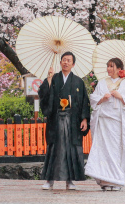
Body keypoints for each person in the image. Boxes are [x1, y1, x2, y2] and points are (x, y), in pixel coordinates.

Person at [84, 57, 125, 191]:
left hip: (117, 123)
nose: (109, 69)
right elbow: (93, 99)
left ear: (119, 69)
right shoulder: (101, 83)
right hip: (104, 121)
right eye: (108, 66)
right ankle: (105, 179)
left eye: (112, 66)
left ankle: (117, 180)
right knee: (103, 150)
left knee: (116, 150)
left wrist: (121, 97)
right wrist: (102, 98)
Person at [38, 51, 90, 190]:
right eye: (64, 60)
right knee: (54, 149)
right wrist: (48, 81)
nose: (66, 62)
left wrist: (84, 119)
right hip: (56, 120)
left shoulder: (78, 81)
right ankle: (49, 180)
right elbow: (43, 95)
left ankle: (70, 181)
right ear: (60, 62)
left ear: (73, 64)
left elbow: (84, 101)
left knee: (71, 150)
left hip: (72, 121)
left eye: (69, 60)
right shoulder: (53, 78)